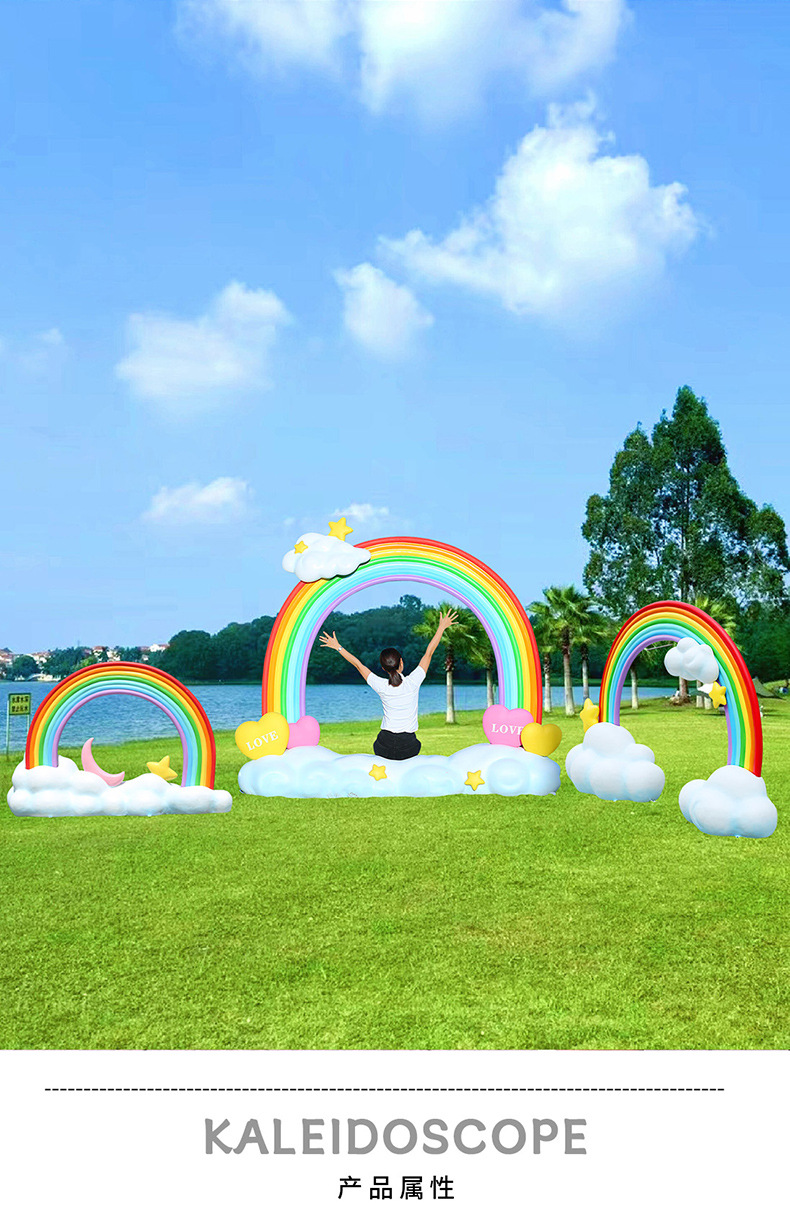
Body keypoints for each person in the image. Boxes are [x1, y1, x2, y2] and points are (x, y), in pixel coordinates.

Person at [318, 609, 458, 760]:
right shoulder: (413, 682)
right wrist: (441, 627)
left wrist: (338, 647)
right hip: (408, 746)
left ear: (383, 668)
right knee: (415, 745)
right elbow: (428, 653)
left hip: (384, 744)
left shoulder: (381, 686)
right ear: (401, 663)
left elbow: (358, 665)